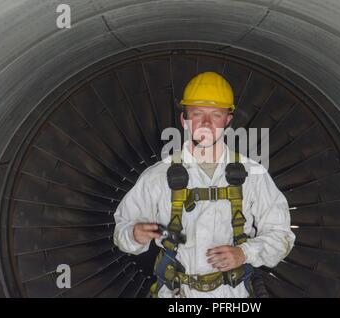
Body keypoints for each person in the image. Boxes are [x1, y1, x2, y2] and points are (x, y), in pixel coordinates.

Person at [113, 71, 295, 298]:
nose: (206, 123)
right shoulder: (158, 176)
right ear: (184, 119)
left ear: (228, 120)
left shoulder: (253, 175)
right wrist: (134, 234)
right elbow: (122, 231)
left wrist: (244, 253)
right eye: (197, 113)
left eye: (216, 115)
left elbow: (281, 235)